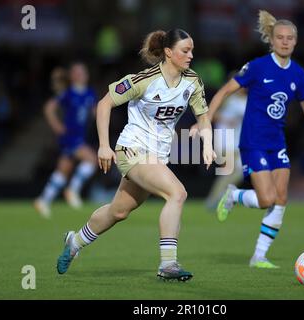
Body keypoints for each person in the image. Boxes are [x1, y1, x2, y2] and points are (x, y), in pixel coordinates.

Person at [56, 29, 215, 281]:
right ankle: (168, 264)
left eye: (192, 50)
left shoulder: (192, 81)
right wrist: (104, 146)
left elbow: (203, 117)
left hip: (157, 156)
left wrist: (207, 145)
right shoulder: (144, 79)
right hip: (132, 149)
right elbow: (104, 103)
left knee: (118, 212)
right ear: (168, 52)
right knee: (177, 193)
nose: (191, 55)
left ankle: (74, 241)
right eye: (185, 50)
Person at [193, 10, 304, 269]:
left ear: (295, 42)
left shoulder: (298, 74)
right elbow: (225, 92)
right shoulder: (257, 67)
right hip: (252, 142)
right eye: (280, 37)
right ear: (272, 41)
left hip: (277, 143)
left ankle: (258, 257)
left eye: (289, 38)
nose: (285, 42)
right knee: (266, 199)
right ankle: (233, 195)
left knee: (281, 198)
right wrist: (204, 120)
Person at [34, 63, 98, 218]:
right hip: (70, 136)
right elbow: (49, 108)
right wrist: (56, 125)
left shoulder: (90, 93)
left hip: (80, 136)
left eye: (83, 72)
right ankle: (73, 190)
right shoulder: (68, 93)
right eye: (77, 72)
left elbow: (96, 111)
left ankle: (43, 200)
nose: (81, 75)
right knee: (92, 160)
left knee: (63, 171)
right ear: (72, 76)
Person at [204, 78, 247, 211]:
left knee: (236, 171)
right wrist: (226, 119)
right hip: (224, 138)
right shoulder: (228, 98)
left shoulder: (248, 100)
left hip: (238, 141)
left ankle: (218, 198)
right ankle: (215, 200)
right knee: (232, 170)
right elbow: (209, 114)